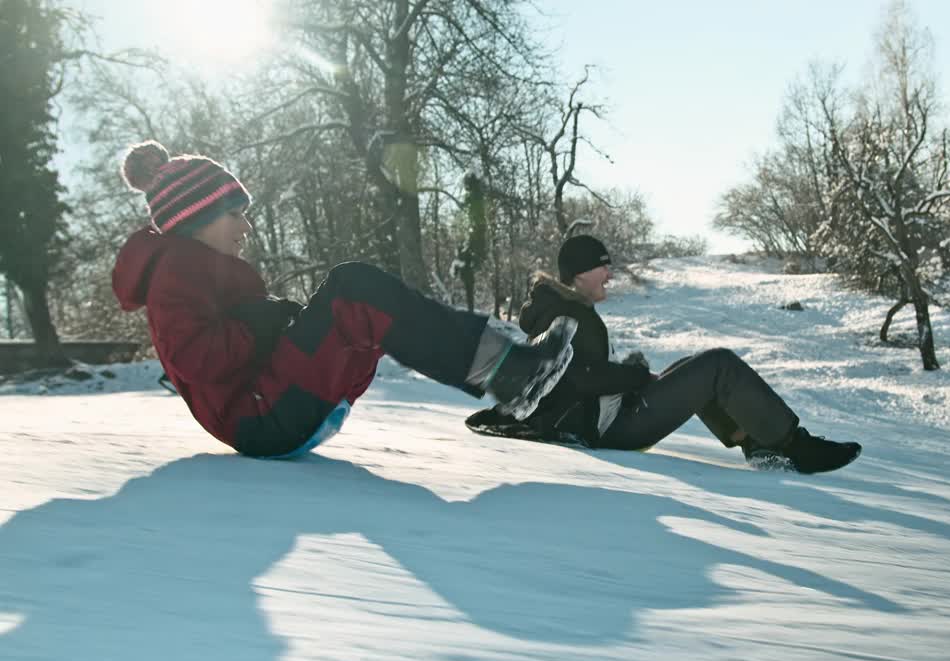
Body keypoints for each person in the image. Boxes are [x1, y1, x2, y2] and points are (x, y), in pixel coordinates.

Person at [112, 140, 577, 458]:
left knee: (363, 302)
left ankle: (506, 369)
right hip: (259, 418)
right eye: (236, 214)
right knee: (353, 289)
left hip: (271, 411)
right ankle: (507, 372)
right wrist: (267, 322)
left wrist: (280, 321)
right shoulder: (176, 274)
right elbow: (197, 357)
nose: (247, 228)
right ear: (197, 218)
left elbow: (241, 334)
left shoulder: (196, 268)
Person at [465, 234, 862, 474]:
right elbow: (577, 378)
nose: (609, 274)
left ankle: (757, 442)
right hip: (611, 430)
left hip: (608, 416)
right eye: (603, 267)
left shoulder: (560, 311)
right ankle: (795, 446)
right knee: (717, 365)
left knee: (688, 369)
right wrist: (634, 376)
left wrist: (630, 377)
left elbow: (569, 374)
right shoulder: (570, 315)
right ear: (580, 272)